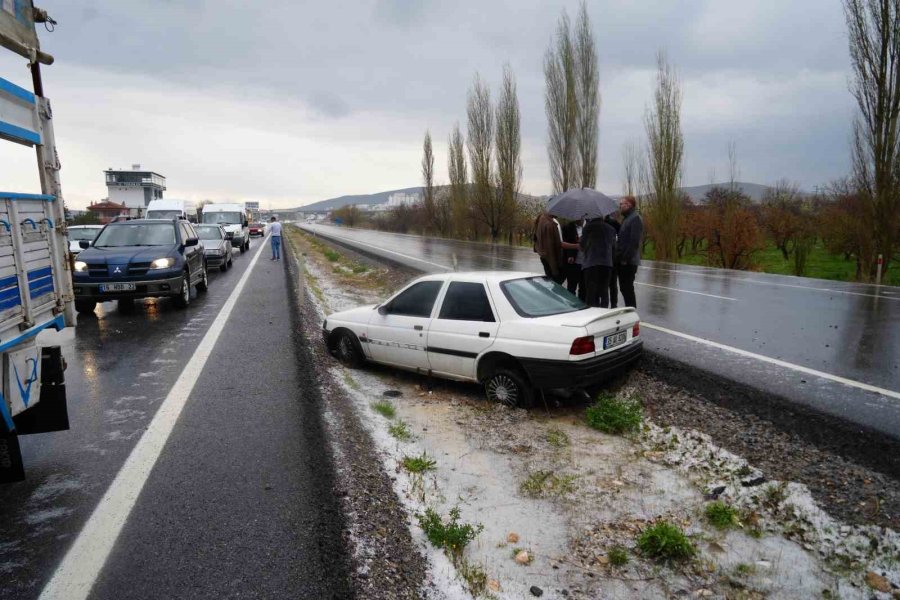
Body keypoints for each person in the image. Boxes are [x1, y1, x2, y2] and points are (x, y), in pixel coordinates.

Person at [579, 216, 616, 308]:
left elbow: (582, 246)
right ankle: (603, 311)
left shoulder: (587, 227)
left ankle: (592, 312)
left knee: (591, 291)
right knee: (604, 291)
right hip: (606, 263)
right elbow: (614, 246)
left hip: (591, 263)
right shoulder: (611, 229)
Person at [615, 196, 643, 308]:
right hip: (624, 259)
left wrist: (625, 259)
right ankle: (630, 310)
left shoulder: (635, 218)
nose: (620, 206)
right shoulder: (627, 218)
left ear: (629, 205)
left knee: (627, 288)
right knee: (624, 287)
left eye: (622, 204)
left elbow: (634, 242)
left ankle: (632, 312)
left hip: (628, 261)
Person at [532, 212, 564, 284]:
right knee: (555, 284)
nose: (559, 212)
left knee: (550, 282)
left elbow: (535, 237)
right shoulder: (550, 224)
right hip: (550, 259)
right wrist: (554, 269)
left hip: (543, 255)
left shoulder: (541, 218)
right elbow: (550, 249)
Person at [561, 218, 585, 300]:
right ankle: (571, 305)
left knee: (583, 287)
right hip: (573, 262)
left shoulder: (588, 226)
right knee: (572, 286)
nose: (581, 219)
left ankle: (582, 306)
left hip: (585, 262)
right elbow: (564, 243)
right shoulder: (567, 227)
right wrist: (569, 255)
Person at [605, 214, 621, 308]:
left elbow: (620, 235)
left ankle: (613, 304)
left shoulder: (613, 222)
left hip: (610, 256)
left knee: (610, 283)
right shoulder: (613, 222)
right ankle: (613, 304)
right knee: (612, 283)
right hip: (612, 255)